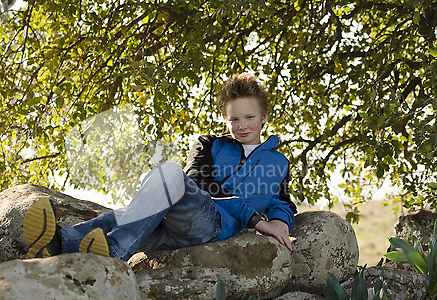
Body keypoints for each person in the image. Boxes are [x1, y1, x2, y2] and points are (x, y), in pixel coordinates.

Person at [22, 72, 297, 261]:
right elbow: (198, 183)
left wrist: (279, 222)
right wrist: (254, 218)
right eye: (234, 119)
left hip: (211, 225)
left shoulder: (278, 162)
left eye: (249, 117)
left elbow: (282, 202)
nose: (242, 126)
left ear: (264, 117)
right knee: (124, 213)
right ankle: (59, 243)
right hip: (183, 218)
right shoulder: (208, 144)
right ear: (225, 119)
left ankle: (114, 251)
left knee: (165, 175)